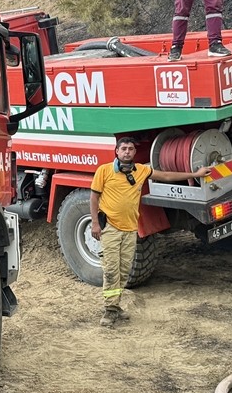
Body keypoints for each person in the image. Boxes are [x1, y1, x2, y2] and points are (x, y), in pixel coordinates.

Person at [90, 137, 211, 327]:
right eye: (123, 148)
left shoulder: (141, 170)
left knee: (124, 271)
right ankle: (109, 310)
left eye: (131, 149)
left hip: (130, 229)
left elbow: (166, 176)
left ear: (134, 152)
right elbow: (94, 197)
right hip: (111, 229)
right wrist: (95, 224)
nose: (127, 152)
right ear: (117, 151)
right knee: (111, 270)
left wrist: (196, 173)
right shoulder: (104, 171)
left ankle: (116, 305)